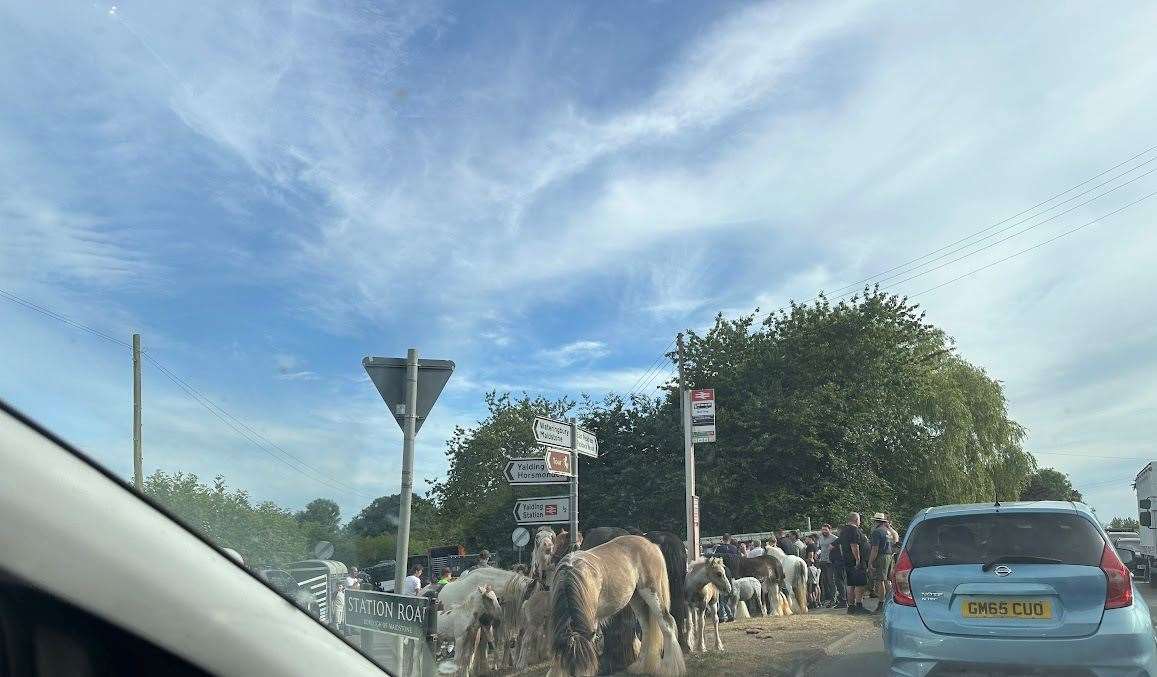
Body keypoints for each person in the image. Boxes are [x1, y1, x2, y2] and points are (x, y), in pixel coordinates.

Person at [838, 512, 869, 614]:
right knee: (859, 584)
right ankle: (859, 606)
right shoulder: (854, 530)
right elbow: (854, 545)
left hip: (847, 560)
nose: (860, 521)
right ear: (856, 519)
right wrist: (858, 559)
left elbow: (841, 546)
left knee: (850, 584)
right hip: (855, 561)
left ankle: (851, 607)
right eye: (859, 519)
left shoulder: (843, 530)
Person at [867, 513, 894, 613]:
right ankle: (890, 601)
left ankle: (881, 604)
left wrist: (870, 562)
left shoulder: (877, 532)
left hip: (881, 556)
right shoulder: (888, 531)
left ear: (875, 521)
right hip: (889, 555)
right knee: (887, 580)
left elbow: (875, 548)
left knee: (880, 580)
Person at [816, 524, 838, 606]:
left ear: (830, 530)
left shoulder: (834, 538)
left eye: (825, 530)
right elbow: (820, 548)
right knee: (824, 581)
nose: (824, 531)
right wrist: (817, 554)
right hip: (822, 561)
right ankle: (828, 598)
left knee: (831, 581)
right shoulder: (820, 538)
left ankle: (834, 599)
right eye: (822, 530)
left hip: (831, 562)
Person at [829, 537, 848, 608]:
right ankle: (845, 600)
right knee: (842, 582)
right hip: (841, 563)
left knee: (839, 582)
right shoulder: (845, 539)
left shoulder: (839, 539)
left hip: (838, 563)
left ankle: (843, 601)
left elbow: (830, 547)